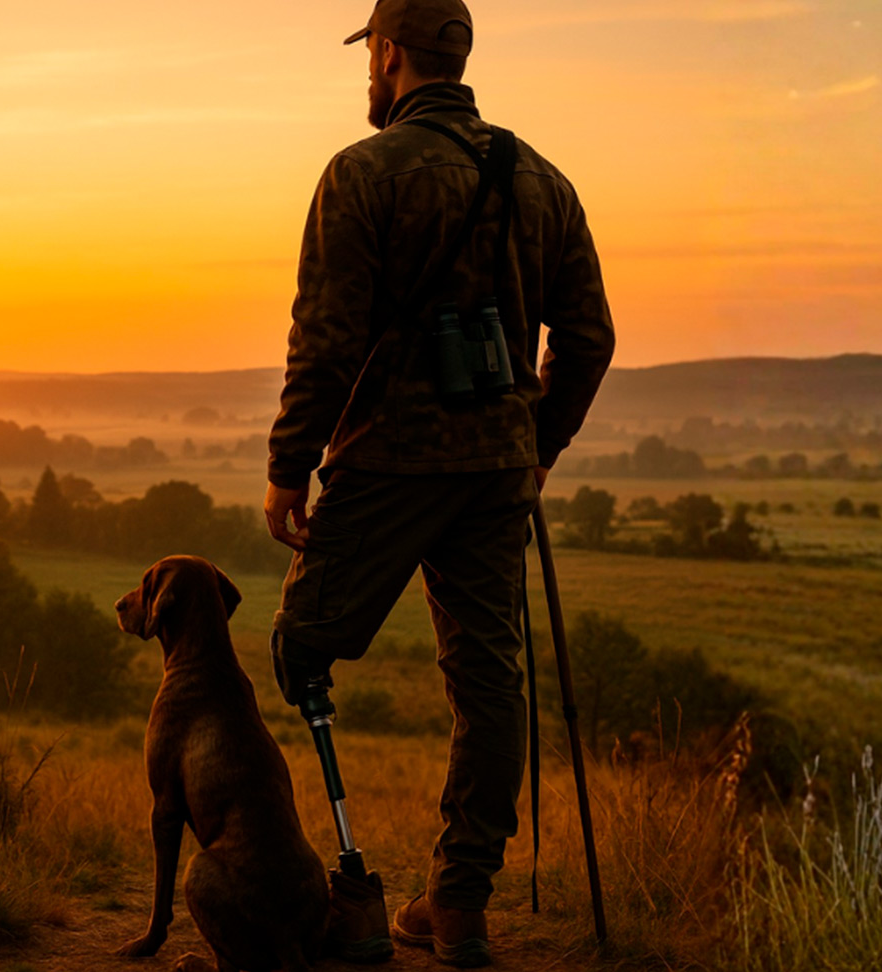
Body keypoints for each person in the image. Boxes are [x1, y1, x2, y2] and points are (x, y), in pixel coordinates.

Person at [263, 0, 615, 966]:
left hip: (388, 458)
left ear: (386, 54)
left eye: (368, 57)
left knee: (300, 648)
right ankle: (457, 905)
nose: (365, 76)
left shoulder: (361, 174)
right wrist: (535, 443)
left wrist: (288, 468)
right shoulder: (545, 180)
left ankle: (335, 886)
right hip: (499, 469)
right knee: (489, 682)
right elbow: (589, 338)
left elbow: (326, 340)